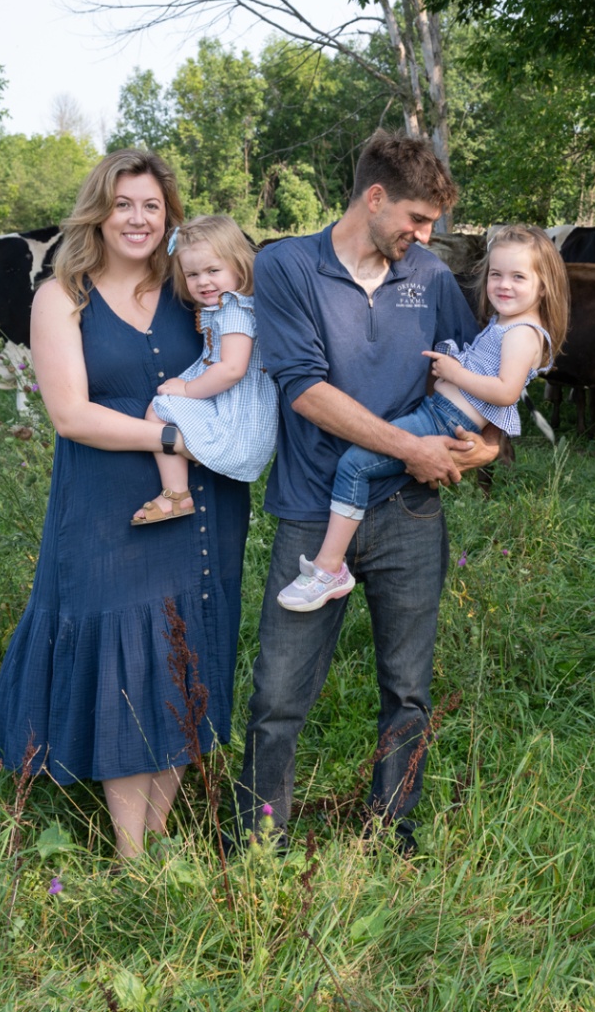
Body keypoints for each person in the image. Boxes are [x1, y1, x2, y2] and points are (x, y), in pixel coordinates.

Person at [235, 132, 501, 854]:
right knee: (279, 694)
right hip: (313, 510)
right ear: (374, 197)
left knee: (408, 690)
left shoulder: (430, 279)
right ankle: (261, 844)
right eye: (416, 220)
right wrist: (411, 447)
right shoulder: (288, 264)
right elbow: (306, 391)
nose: (422, 237)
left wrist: (477, 452)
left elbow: (476, 387)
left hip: (411, 513)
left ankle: (392, 836)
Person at [0, 150, 252, 861]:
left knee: (181, 652)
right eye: (124, 204)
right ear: (97, 212)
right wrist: (171, 434)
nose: (138, 218)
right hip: (110, 508)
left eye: (152, 205)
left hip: (203, 503)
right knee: (124, 659)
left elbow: (243, 356)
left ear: (169, 214)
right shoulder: (61, 297)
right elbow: (71, 414)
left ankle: (161, 833)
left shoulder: (191, 288)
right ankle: (132, 853)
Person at [276, 224, 568, 609]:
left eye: (518, 277)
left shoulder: (523, 333)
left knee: (354, 466)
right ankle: (331, 564)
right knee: (360, 462)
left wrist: (454, 372)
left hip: (443, 421)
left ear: (543, 285)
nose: (503, 285)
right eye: (496, 274)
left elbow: (506, 391)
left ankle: (330, 567)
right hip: (436, 413)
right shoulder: (506, 323)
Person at [131, 214, 277, 524]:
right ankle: (179, 490)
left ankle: (176, 493)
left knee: (160, 409)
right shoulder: (228, 306)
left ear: (238, 265)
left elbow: (232, 369)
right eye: (192, 274)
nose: (203, 281)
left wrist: (187, 389)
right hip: (235, 404)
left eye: (213, 270)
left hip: (239, 413)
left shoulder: (235, 309)